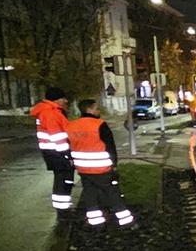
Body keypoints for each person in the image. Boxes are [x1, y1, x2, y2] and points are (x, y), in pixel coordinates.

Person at [66, 99, 134, 228]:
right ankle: (125, 221)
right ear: (89, 109)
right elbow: (110, 147)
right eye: (96, 108)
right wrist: (114, 165)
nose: (98, 111)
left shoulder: (71, 125)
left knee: (90, 195)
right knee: (112, 193)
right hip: (101, 168)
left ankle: (96, 223)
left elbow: (70, 146)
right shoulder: (99, 124)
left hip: (83, 169)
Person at [30, 86, 74, 219]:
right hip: (58, 152)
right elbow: (57, 136)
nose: (65, 101)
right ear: (57, 99)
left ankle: (63, 209)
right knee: (63, 180)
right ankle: (63, 212)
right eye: (63, 98)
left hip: (52, 152)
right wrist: (67, 155)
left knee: (62, 179)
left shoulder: (48, 111)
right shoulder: (51, 113)